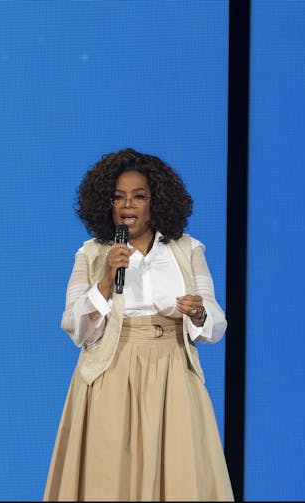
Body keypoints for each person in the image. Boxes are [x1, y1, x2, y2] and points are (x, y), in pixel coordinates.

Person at [43, 148, 234, 501]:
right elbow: (76, 326)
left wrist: (198, 313)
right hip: (111, 374)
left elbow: (215, 320)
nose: (127, 205)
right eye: (118, 197)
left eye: (138, 196)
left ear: (156, 202)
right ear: (107, 204)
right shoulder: (91, 253)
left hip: (173, 374)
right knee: (110, 480)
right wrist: (105, 280)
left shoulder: (186, 250)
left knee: (178, 479)